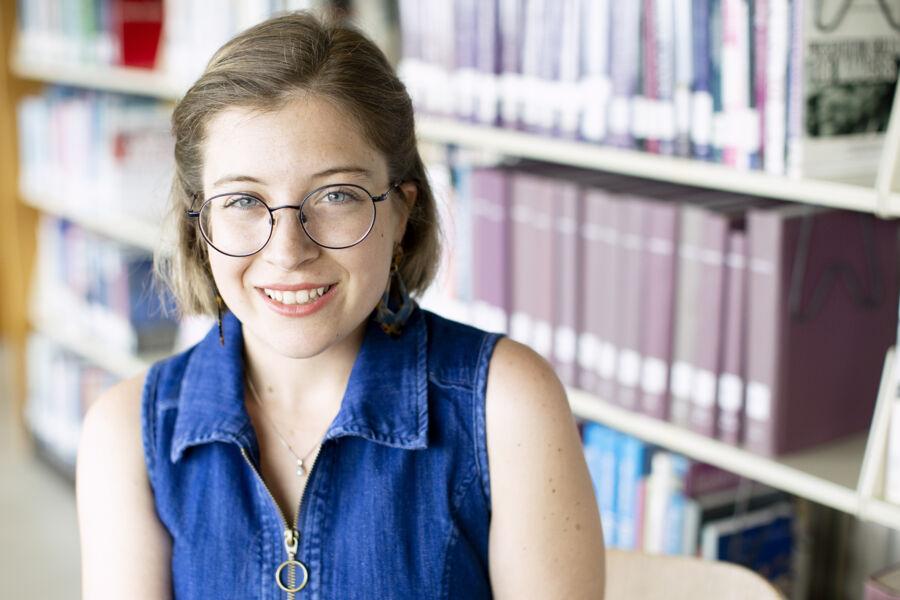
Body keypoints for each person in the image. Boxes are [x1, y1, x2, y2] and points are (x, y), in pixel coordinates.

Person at [76, 10, 605, 599]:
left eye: (335, 195)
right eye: (244, 201)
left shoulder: (506, 404)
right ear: (199, 224)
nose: (288, 252)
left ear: (401, 211)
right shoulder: (125, 432)